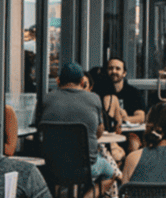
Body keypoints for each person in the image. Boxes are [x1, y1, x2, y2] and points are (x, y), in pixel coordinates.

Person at [36, 61, 116, 191]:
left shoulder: (46, 99)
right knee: (110, 173)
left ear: (58, 81)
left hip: (51, 167)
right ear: (83, 82)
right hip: (85, 168)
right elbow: (98, 133)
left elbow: (39, 127)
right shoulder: (94, 99)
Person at [96, 56, 146, 125]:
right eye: (110, 68)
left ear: (124, 73)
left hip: (128, 132)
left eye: (118, 68)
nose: (114, 71)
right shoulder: (99, 91)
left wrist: (124, 118)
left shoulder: (133, 92)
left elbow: (141, 117)